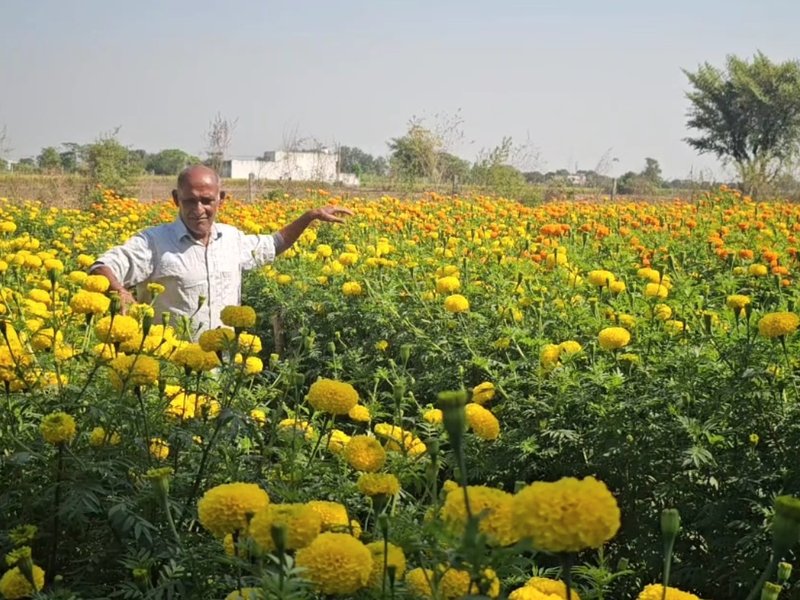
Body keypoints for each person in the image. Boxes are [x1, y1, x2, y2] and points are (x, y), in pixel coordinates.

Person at [90, 164, 352, 338]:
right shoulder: (154, 243)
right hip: (170, 367)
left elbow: (274, 244)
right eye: (190, 200)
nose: (198, 209)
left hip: (223, 367)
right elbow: (102, 265)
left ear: (221, 199)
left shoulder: (231, 239)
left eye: (207, 201)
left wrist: (309, 217)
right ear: (175, 199)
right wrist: (120, 292)